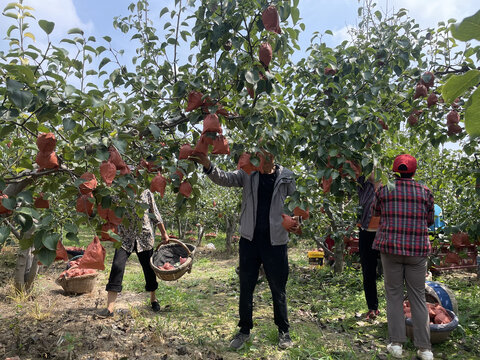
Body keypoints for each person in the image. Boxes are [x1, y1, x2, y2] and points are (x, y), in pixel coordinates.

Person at [190, 148, 298, 350]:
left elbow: (297, 204)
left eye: (262, 155)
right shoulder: (249, 173)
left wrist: (297, 221)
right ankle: (244, 331)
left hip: (276, 242)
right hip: (249, 240)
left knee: (278, 287)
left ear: (271, 156)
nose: (257, 159)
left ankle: (284, 331)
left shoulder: (287, 177)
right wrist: (208, 165)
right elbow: (226, 178)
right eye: (256, 155)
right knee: (246, 286)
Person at [371, 154, 434, 360]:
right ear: (414, 172)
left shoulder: (383, 190)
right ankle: (425, 349)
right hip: (417, 250)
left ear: (395, 171)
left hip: (391, 249)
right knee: (418, 296)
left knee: (394, 295)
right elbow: (430, 220)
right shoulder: (425, 192)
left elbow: (376, 212)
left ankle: (396, 344)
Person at [98, 188, 170, 318]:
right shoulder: (118, 191)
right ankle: (109, 308)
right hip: (125, 238)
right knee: (117, 266)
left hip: (144, 237)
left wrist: (164, 233)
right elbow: (109, 213)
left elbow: (155, 214)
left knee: (149, 270)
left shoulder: (146, 192)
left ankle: (153, 299)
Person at [356, 172, 381, 320]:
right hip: (366, 232)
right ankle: (372, 307)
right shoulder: (363, 185)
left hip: (385, 233)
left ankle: (399, 309)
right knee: (368, 271)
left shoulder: (389, 187)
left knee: (392, 273)